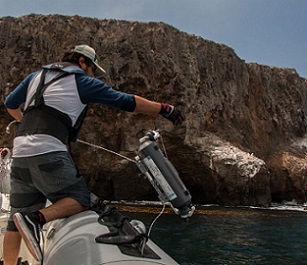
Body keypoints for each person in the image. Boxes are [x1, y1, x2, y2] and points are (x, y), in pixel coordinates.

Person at [3, 44, 184, 264]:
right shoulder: (81, 81)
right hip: (48, 150)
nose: (93, 74)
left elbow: (10, 103)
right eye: (92, 69)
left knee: (15, 219)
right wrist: (165, 108)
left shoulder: (36, 76)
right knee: (81, 199)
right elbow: (125, 101)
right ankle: (36, 219)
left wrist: (29, 123)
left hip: (20, 151)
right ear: (82, 62)